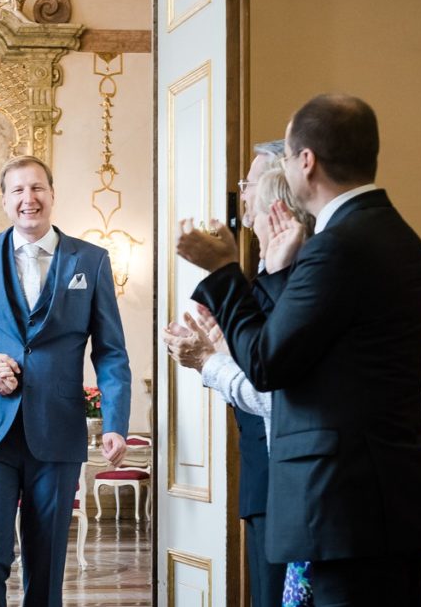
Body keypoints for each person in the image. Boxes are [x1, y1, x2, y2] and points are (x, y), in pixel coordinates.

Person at [176, 93, 421, 605]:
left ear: (307, 161)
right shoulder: (396, 235)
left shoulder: (339, 247)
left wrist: (221, 271)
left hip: (346, 507)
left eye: (285, 155)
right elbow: (315, 353)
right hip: (392, 499)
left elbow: (266, 364)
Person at [0, 156, 132, 607]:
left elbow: (110, 350)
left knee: (47, 560)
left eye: (37, 189)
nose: (27, 199)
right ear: (4, 200)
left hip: (57, 429)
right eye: (17, 191)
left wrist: (115, 422)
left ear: (52, 195)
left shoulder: (90, 260)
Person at [164, 158, 315, 606]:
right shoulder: (276, 280)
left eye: (249, 188)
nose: (242, 200)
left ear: (280, 217)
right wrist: (225, 347)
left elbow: (275, 394)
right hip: (268, 475)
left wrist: (209, 361)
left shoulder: (296, 286)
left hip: (292, 478)